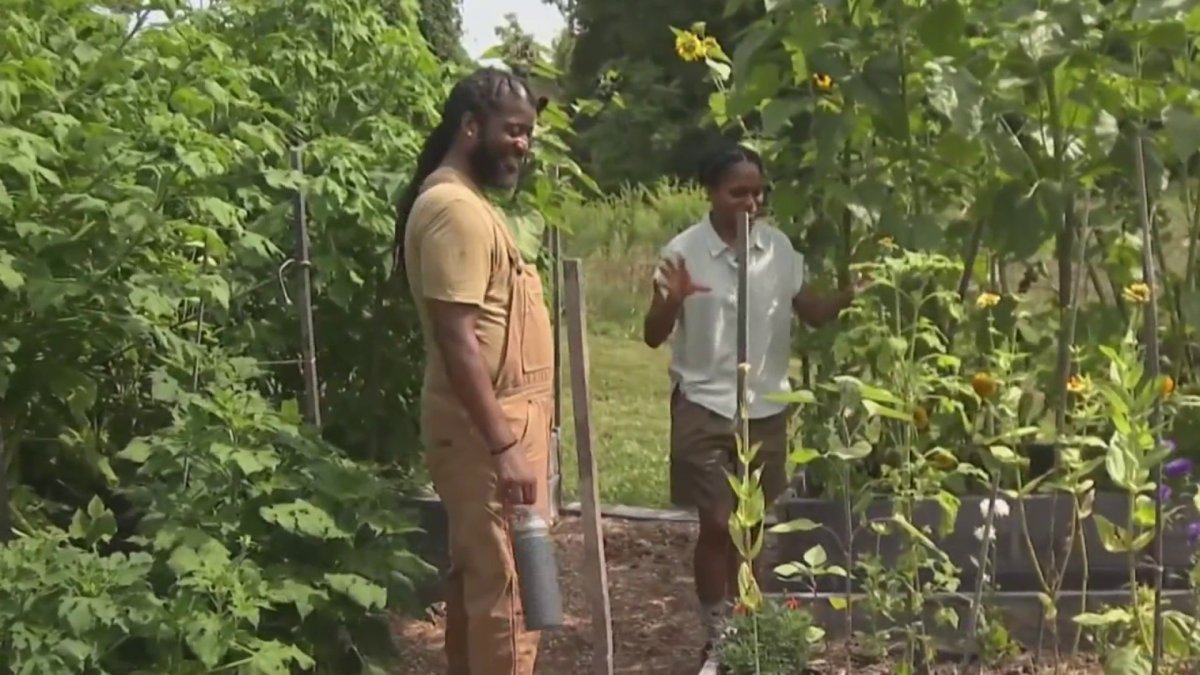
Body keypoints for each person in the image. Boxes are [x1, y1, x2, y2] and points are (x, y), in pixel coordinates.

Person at [641, 143, 858, 657]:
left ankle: (747, 627)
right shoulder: (683, 252)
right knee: (717, 521)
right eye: (738, 192)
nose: (750, 203)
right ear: (712, 193)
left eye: (758, 192)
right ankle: (715, 628)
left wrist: (850, 294)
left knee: (752, 526)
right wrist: (672, 300)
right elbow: (652, 335)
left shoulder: (778, 251)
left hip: (766, 408)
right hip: (705, 404)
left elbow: (813, 312)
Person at [394, 67, 552, 675]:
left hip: (502, 423)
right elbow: (457, 340)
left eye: (528, 134)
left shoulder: (469, 205)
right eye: (512, 131)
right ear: (469, 127)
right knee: (508, 591)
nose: (523, 145)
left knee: (484, 581)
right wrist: (505, 445)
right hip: (490, 429)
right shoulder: (453, 209)